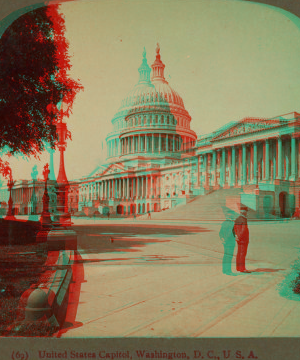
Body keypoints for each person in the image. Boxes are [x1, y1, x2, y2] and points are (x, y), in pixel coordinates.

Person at [233, 204, 251, 273]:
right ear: (244, 212)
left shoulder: (237, 218)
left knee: (239, 253)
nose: (246, 213)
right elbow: (243, 230)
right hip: (243, 240)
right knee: (242, 254)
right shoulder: (244, 219)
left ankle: (238, 268)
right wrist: (240, 237)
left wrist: (236, 236)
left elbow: (234, 228)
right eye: (246, 212)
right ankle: (242, 268)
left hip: (239, 239)